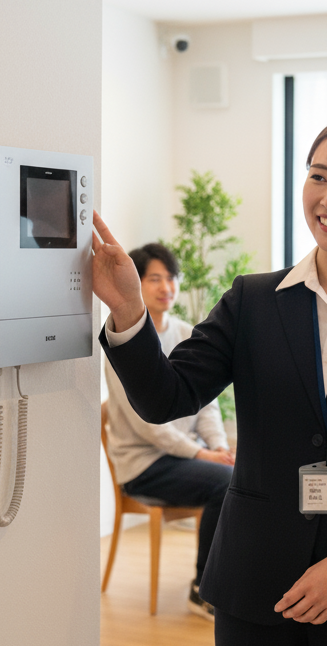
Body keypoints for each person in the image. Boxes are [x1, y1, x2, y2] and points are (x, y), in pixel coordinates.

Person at [94, 113, 327, 645]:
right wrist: (129, 309)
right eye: (319, 176)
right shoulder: (252, 302)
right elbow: (165, 398)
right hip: (255, 588)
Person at [102, 242, 234, 621]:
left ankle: (230, 582)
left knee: (240, 474)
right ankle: (203, 589)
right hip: (144, 464)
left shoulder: (185, 332)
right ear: (136, 283)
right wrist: (203, 455)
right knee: (226, 483)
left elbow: (207, 404)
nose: (166, 287)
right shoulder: (125, 342)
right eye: (155, 279)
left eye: (171, 278)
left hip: (184, 457)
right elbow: (149, 425)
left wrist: (219, 446)